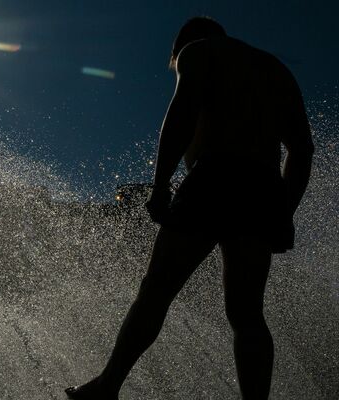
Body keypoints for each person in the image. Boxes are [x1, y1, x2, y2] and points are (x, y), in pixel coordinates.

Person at [65, 17, 314, 400]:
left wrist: (161, 185)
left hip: (215, 177)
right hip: (262, 189)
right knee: (247, 314)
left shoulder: (198, 52)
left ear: (182, 44)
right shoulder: (275, 68)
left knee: (156, 290)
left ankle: (107, 386)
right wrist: (285, 211)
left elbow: (183, 111)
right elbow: (301, 150)